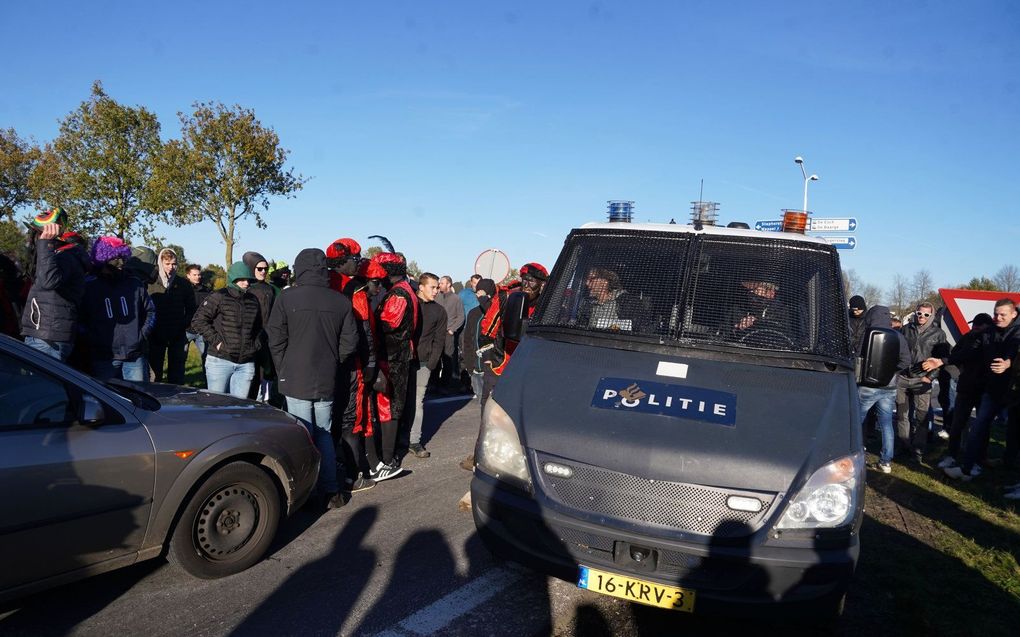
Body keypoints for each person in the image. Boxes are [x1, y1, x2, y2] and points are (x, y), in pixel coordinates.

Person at [267, 248, 358, 510]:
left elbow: (275, 338)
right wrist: (333, 360)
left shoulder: (287, 298)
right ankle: (330, 490)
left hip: (294, 376)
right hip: (326, 377)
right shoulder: (340, 301)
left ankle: (304, 493)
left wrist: (282, 367)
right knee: (324, 434)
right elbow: (349, 341)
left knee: (302, 436)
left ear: (299, 268)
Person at [934, 299, 1020, 480]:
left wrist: (1008, 362)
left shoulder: (1017, 332)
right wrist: (943, 361)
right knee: (979, 426)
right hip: (991, 388)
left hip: (1014, 388)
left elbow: (1014, 349)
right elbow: (969, 352)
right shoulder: (987, 333)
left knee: (1013, 432)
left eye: (1002, 314)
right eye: (996, 313)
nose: (998, 317)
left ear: (1014, 314)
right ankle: (967, 468)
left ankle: (1008, 469)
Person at [336, 255, 386, 494]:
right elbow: (363, 333)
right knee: (353, 418)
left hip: (334, 363)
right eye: (376, 282)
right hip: (353, 363)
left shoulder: (334, 284)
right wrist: (370, 364)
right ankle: (353, 474)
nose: (378, 288)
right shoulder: (357, 294)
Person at [80, 236, 155, 382]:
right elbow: (79, 318)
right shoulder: (90, 286)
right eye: (115, 258)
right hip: (104, 357)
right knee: (107, 399)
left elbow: (151, 311)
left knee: (138, 398)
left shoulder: (134, 284)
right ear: (103, 259)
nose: (120, 263)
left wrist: (141, 336)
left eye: (122, 257)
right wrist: (95, 340)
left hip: (134, 355)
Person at [372, 252, 419, 481]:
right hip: (396, 357)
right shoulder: (402, 290)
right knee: (392, 407)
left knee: (388, 407)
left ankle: (388, 459)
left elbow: (388, 324)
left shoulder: (399, 294)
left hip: (392, 359)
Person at [20, 209, 90, 362]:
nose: (32, 239)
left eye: (36, 234)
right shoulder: (55, 257)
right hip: (44, 335)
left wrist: (46, 243)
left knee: (40, 385)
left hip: (48, 339)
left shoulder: (65, 258)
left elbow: (48, 282)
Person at [190, 262, 263, 399]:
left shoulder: (253, 300)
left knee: (238, 409)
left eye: (248, 279)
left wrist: (255, 346)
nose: (246, 283)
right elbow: (198, 320)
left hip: (246, 363)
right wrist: (217, 342)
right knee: (216, 406)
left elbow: (258, 327)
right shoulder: (219, 296)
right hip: (220, 361)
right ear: (233, 278)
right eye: (242, 279)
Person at [935, 313, 995, 470]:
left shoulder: (991, 339)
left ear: (987, 326)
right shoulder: (967, 337)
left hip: (984, 389)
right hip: (966, 387)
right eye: (973, 325)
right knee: (957, 424)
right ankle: (952, 455)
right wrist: (961, 367)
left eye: (978, 325)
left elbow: (969, 354)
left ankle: (980, 458)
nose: (974, 328)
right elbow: (956, 354)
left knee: (983, 426)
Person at [855, 305, 910, 473]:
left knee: (858, 421)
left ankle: (857, 453)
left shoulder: (867, 334)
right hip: (890, 385)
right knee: (886, 424)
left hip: (867, 386)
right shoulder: (898, 336)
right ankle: (886, 461)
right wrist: (890, 370)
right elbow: (906, 360)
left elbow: (857, 356)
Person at [401, 272, 447, 460]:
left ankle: (414, 441)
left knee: (418, 402)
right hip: (403, 362)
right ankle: (397, 439)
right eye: (433, 287)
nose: (436, 291)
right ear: (421, 286)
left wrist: (431, 364)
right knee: (401, 401)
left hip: (423, 363)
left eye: (437, 287)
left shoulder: (439, 311)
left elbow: (439, 340)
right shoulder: (409, 304)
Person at [896, 302, 947, 462]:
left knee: (921, 416)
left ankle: (918, 449)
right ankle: (904, 445)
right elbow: (897, 351)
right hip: (903, 378)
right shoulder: (906, 329)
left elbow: (941, 359)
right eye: (919, 313)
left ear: (931, 315)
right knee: (902, 415)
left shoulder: (938, 334)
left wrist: (930, 377)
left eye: (926, 314)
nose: (922, 317)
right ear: (915, 313)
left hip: (923, 379)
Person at [147, 248, 195, 384]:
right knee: (154, 374)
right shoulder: (151, 283)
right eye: (167, 264)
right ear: (161, 263)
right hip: (155, 333)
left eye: (174, 264)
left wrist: (183, 324)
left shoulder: (183, 284)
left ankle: (176, 399)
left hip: (177, 334)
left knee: (177, 373)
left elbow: (191, 308)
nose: (171, 267)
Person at [241, 251, 277, 402]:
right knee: (251, 374)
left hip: (267, 336)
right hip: (249, 336)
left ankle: (264, 401)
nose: (263, 272)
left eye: (265, 269)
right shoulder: (245, 288)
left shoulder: (270, 289)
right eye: (259, 269)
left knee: (266, 372)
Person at [577, 266, 650, 332]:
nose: (586, 283)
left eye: (591, 279)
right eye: (586, 279)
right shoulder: (587, 305)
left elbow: (642, 332)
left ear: (605, 281)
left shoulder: (628, 303)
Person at [461, 278, 498, 400]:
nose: (478, 296)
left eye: (481, 294)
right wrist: (469, 366)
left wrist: (484, 300)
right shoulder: (473, 313)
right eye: (477, 293)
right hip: (476, 369)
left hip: (493, 370)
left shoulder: (496, 313)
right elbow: (467, 340)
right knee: (482, 404)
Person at [436, 275, 465, 391]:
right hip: (437, 333)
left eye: (442, 283)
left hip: (449, 334)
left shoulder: (456, 299)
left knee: (448, 359)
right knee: (436, 358)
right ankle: (435, 384)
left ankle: (448, 385)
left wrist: (452, 329)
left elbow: (461, 316)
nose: (440, 285)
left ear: (449, 284)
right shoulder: (437, 297)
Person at [184, 264, 211, 361]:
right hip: (186, 330)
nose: (197, 277)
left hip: (201, 330)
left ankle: (206, 376)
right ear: (188, 275)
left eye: (199, 275)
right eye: (194, 275)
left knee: (207, 358)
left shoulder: (207, 291)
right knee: (181, 358)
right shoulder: (182, 289)